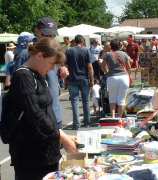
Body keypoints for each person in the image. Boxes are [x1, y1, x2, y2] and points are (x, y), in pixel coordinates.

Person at [9, 38, 78, 180]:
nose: (52, 69)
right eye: (51, 63)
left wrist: (62, 134)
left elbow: (46, 111)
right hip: (31, 156)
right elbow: (35, 114)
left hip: (46, 153)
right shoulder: (23, 76)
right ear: (40, 56)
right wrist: (62, 137)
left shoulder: (38, 75)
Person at [12, 17, 66, 129]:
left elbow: (54, 77)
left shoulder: (53, 51)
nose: (50, 38)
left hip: (55, 114)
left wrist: (63, 68)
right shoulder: (26, 54)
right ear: (37, 32)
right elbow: (18, 86)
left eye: (52, 35)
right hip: (36, 120)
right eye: (46, 35)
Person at [65, 34, 94, 129]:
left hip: (72, 79)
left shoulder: (69, 51)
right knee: (85, 101)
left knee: (74, 101)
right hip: (84, 78)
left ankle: (76, 124)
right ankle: (87, 123)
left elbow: (66, 67)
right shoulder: (86, 50)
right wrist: (92, 80)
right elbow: (90, 67)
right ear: (82, 41)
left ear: (75, 41)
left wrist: (65, 80)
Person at [101, 39, 131, 118]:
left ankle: (113, 117)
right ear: (120, 46)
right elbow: (129, 67)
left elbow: (102, 66)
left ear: (111, 46)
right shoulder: (124, 54)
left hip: (112, 77)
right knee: (121, 99)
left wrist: (107, 72)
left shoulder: (108, 54)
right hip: (123, 77)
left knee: (112, 98)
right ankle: (120, 118)